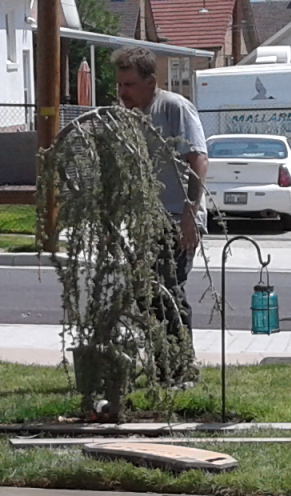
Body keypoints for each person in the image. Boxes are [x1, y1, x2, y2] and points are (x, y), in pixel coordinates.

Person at [112, 46, 208, 357]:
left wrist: (189, 215)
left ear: (151, 82)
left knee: (167, 290)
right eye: (120, 84)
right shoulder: (132, 116)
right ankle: (161, 363)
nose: (122, 91)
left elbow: (198, 160)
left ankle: (181, 363)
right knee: (147, 293)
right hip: (149, 220)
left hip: (178, 218)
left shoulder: (173, 107)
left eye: (130, 85)